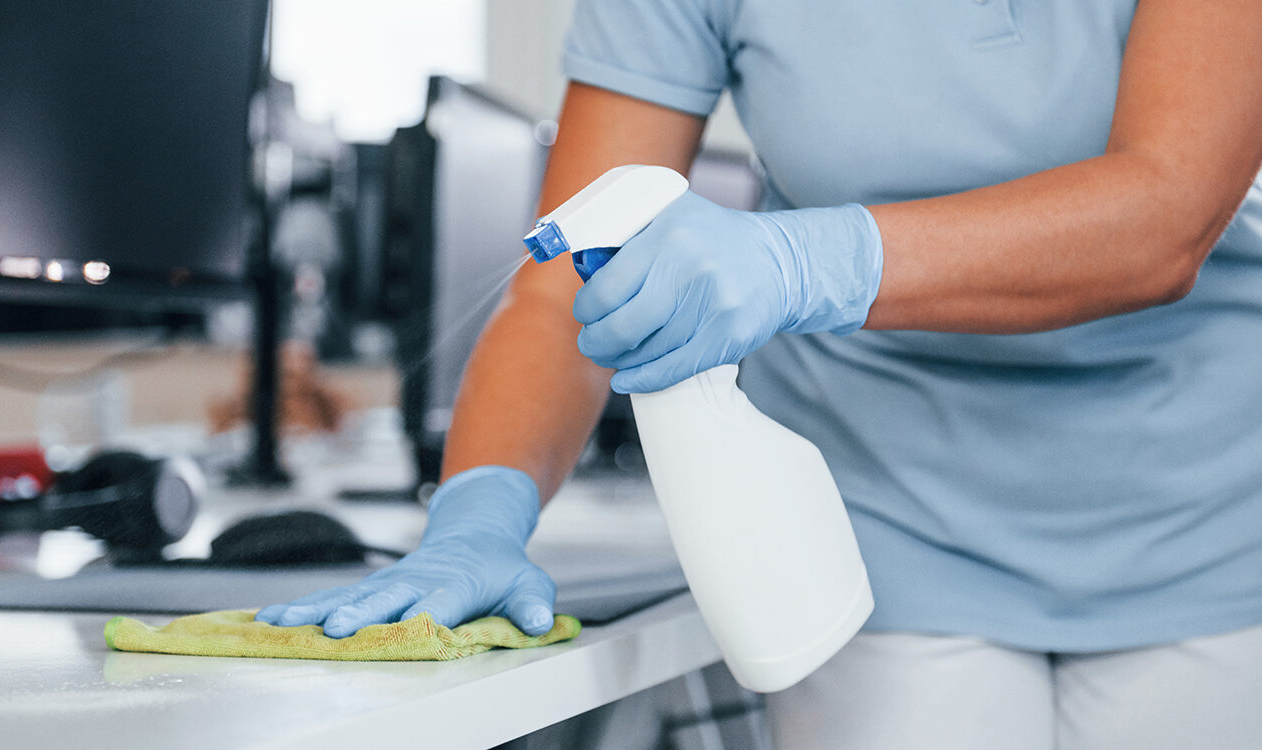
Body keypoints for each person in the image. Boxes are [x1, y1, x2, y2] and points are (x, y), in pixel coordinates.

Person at [258, 1, 1262, 746]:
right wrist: (481, 507)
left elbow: (1163, 219)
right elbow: (570, 281)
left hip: (1207, 517)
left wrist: (803, 260)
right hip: (880, 530)